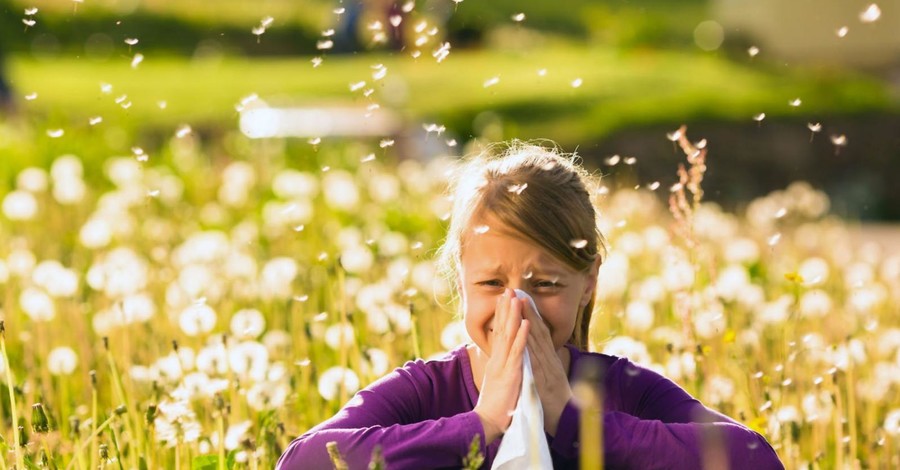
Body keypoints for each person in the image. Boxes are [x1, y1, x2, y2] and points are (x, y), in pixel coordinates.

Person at [277, 143, 783, 469]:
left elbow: (755, 460)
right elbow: (301, 463)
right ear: (462, 278)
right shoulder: (427, 390)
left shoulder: (619, 390)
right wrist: (481, 425)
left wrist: (575, 422)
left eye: (544, 285)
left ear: (588, 283)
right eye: (492, 282)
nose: (516, 308)